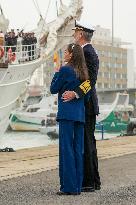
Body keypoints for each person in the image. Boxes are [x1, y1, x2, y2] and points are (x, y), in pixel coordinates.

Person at [62, 20, 101, 192]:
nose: (73, 35)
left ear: (80, 34)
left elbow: (90, 82)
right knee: (88, 142)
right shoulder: (86, 52)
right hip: (86, 104)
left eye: (75, 32)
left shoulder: (88, 53)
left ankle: (89, 182)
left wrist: (75, 93)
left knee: (87, 143)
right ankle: (93, 181)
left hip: (87, 104)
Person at [50, 43, 89, 195]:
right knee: (78, 150)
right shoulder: (83, 71)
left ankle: (68, 187)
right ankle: (77, 186)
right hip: (79, 115)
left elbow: (53, 89)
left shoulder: (65, 69)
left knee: (66, 149)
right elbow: (87, 89)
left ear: (71, 54)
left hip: (67, 114)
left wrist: (56, 71)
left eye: (65, 52)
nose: (64, 54)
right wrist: (76, 95)